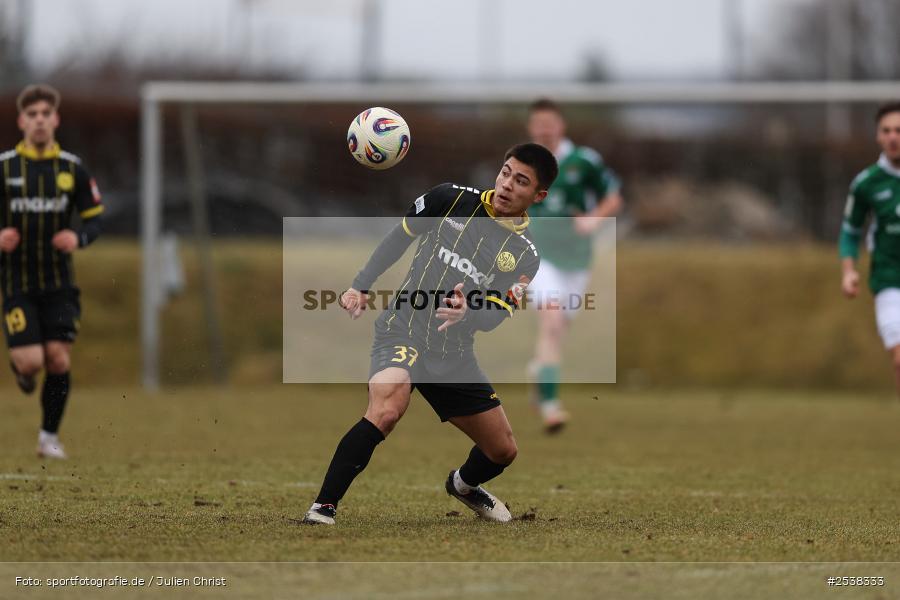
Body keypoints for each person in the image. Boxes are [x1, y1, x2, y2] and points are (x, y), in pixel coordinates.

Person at [302, 143, 558, 525]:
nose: (507, 184)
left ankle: (463, 485)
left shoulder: (525, 255)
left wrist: (468, 312)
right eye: (505, 172)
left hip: (453, 353)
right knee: (387, 410)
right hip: (402, 329)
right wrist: (361, 285)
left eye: (521, 181)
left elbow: (495, 314)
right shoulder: (449, 198)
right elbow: (399, 238)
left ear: (538, 196)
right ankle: (323, 507)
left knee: (502, 450)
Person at [0, 84, 104, 459]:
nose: (40, 120)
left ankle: (48, 436)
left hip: (59, 284)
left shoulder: (72, 169)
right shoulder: (5, 167)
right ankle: (23, 372)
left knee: (58, 358)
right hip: (18, 283)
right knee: (32, 362)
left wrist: (78, 238)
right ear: (21, 121)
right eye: (33, 115)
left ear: (56, 119)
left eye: (46, 114)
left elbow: (95, 220)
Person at [525, 99, 623, 432]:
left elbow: (614, 197)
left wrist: (594, 219)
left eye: (549, 122)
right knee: (551, 322)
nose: (544, 129)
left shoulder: (584, 161)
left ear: (561, 125)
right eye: (538, 123)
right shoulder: (524, 163)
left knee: (557, 331)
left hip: (577, 259)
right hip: (538, 257)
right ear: (531, 128)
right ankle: (550, 407)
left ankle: (540, 372)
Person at [840, 102, 900, 394]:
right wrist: (848, 271)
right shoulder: (866, 184)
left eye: (899, 130)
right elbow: (850, 232)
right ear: (878, 136)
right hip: (889, 279)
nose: (893, 137)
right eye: (886, 131)